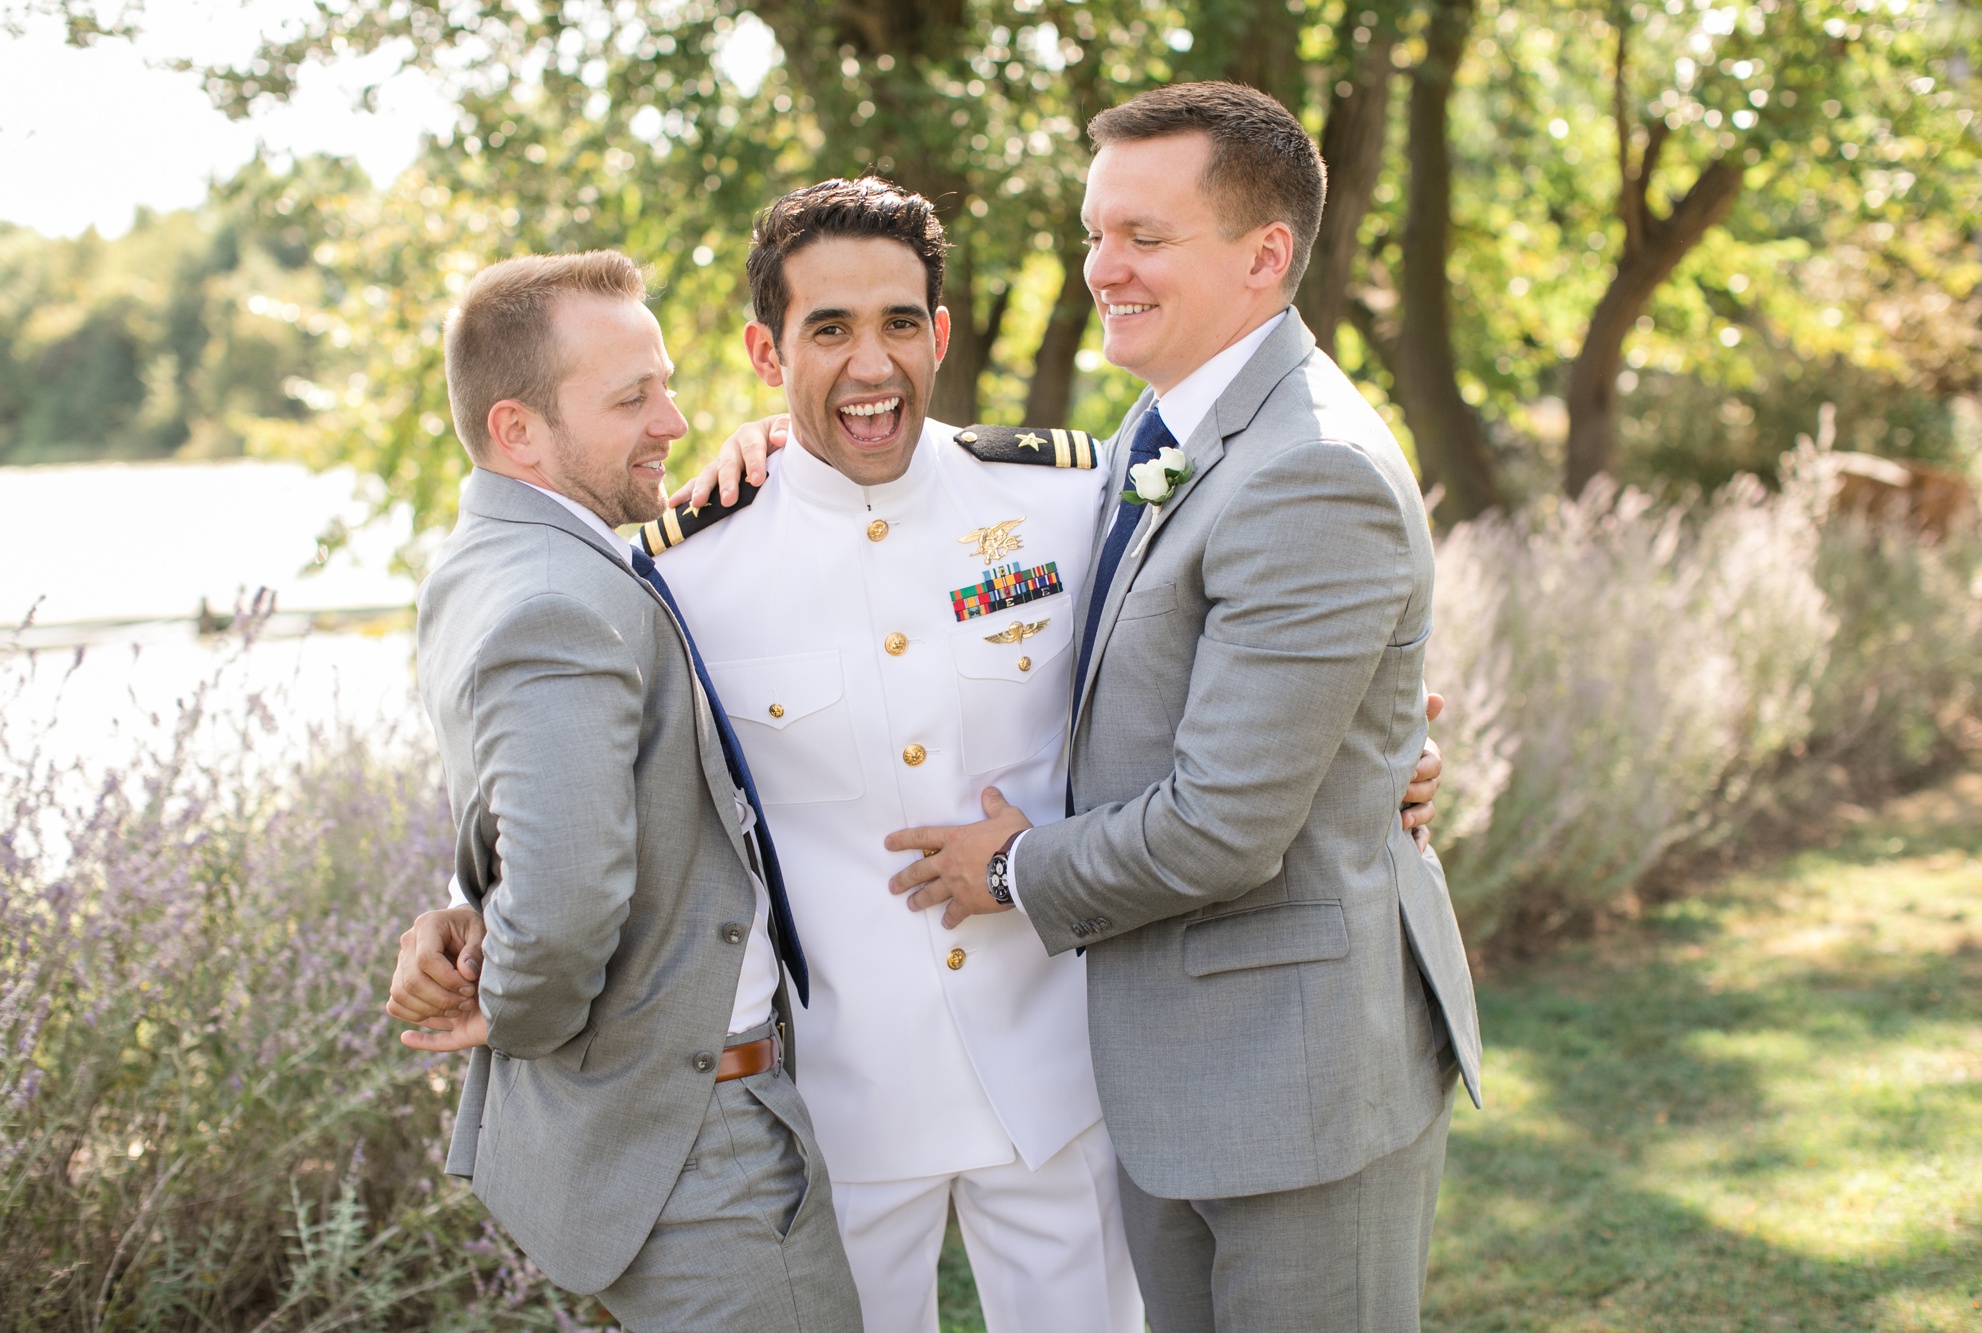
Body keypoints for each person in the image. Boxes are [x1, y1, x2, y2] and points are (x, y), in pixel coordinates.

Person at [390, 180, 1448, 1332]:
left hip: (1065, 1074)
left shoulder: (1069, 496)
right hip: (844, 1102)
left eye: (899, 322)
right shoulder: (683, 570)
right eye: (827, 330)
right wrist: (466, 906)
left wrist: (1388, 752)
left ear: (938, 334)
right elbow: (592, 775)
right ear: (763, 348)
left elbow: (1247, 646)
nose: (870, 363)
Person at [857, 82, 1483, 1332]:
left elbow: (1221, 827)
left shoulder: (1307, 467)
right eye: (1094, 234)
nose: (1101, 268)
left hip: (1293, 1082)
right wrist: (776, 462)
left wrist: (1013, 869)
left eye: (1143, 237)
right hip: (1175, 1075)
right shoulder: (1165, 424)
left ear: (1263, 257)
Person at [393, 250, 862, 1332]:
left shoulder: (491, 564)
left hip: (668, 1130)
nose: (672, 417)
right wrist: (504, 1000)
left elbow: (527, 812)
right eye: (631, 396)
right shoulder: (557, 600)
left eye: (662, 383)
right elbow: (560, 902)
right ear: (518, 431)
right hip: (701, 1146)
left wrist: (465, 921)